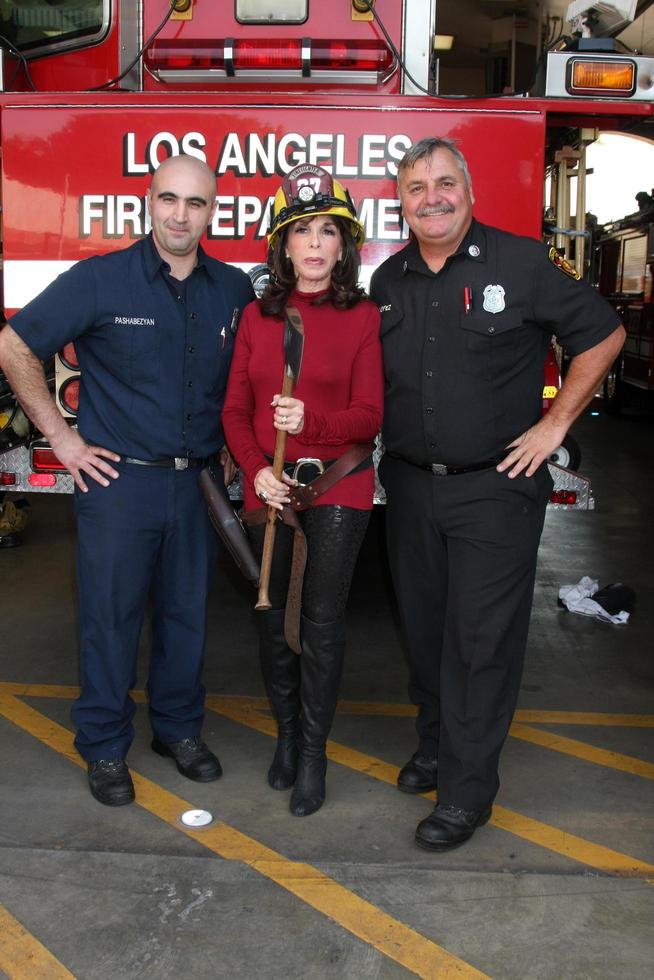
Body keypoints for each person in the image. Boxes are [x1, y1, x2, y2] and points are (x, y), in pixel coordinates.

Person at [370, 137, 625, 851]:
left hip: (496, 490)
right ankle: (437, 747)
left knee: (479, 644)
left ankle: (467, 792)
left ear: (469, 189)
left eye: (445, 182)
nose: (432, 197)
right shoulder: (388, 281)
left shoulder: (519, 263)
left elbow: (603, 336)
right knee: (424, 635)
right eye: (417, 186)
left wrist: (554, 425)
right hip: (412, 489)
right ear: (402, 201)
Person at [0, 155, 254, 806]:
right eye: (168, 198)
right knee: (110, 621)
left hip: (195, 486)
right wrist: (61, 436)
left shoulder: (231, 289)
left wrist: (233, 442)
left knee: (185, 618)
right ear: (148, 201)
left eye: (195, 203)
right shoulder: (100, 280)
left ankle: (178, 732)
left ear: (212, 211)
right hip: (119, 487)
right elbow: (13, 344)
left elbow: (241, 377)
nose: (180, 213)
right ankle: (105, 747)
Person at [222, 163, 383, 817]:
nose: (315, 243)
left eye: (327, 231)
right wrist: (257, 465)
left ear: (344, 245)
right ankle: (286, 740)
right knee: (271, 625)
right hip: (271, 487)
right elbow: (233, 409)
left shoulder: (363, 314)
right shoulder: (258, 317)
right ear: (282, 246)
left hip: (338, 488)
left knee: (320, 625)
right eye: (301, 232)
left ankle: (314, 756)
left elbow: (369, 416)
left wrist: (310, 422)